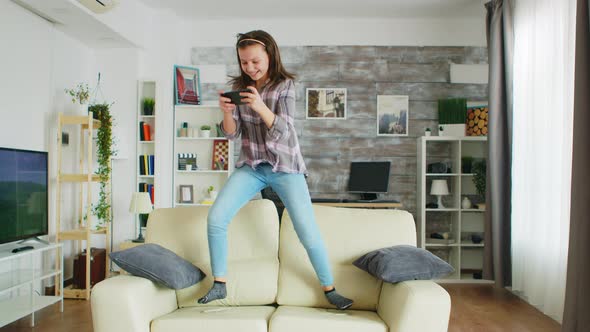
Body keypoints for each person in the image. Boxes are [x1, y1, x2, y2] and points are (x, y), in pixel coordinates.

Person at [197, 30, 353, 310]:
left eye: (255, 61)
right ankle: (220, 283)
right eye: (244, 62)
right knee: (216, 218)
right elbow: (232, 136)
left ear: (270, 55)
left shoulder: (285, 86)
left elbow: (284, 131)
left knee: (307, 230)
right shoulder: (239, 87)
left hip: (285, 166)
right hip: (253, 166)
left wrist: (259, 106)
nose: (250, 68)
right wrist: (226, 113)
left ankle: (329, 288)